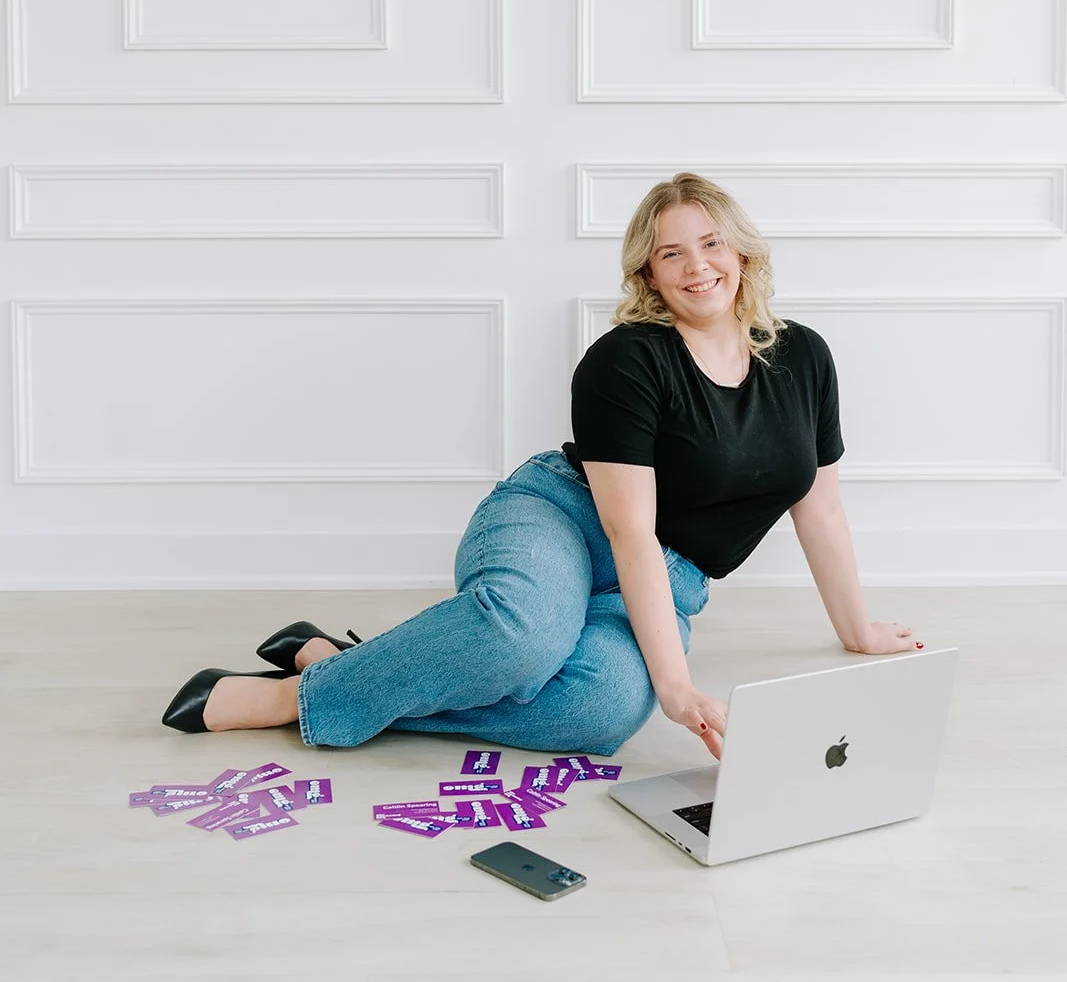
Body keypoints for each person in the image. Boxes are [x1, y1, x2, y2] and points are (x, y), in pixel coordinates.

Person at [161, 171, 923, 755]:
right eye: (671, 253)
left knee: (596, 714)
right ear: (647, 275)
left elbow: (818, 507)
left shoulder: (803, 356)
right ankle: (293, 699)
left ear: (743, 251)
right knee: (521, 640)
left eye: (711, 243)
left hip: (674, 574)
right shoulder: (625, 360)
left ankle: (350, 665)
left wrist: (855, 629)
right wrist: (677, 685)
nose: (697, 267)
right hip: (564, 518)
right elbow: (628, 534)